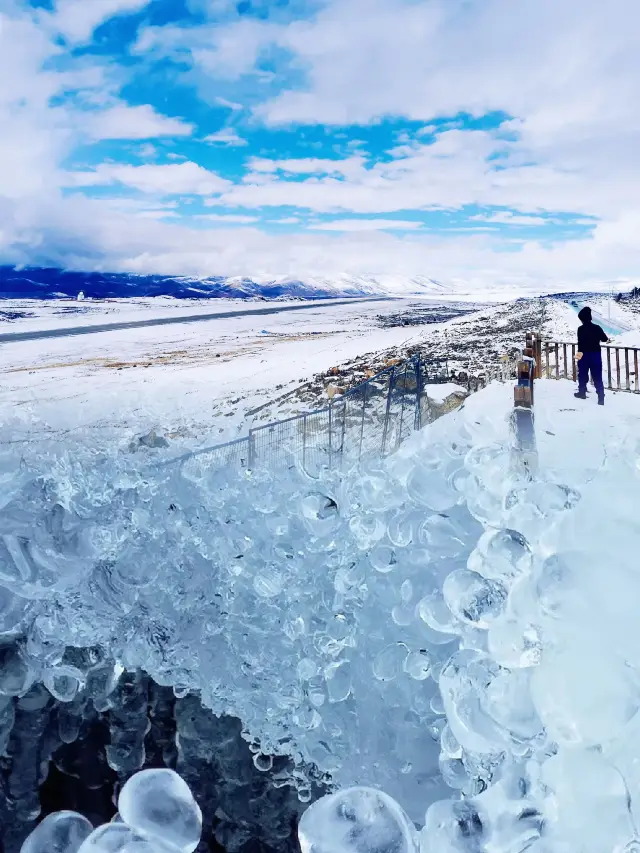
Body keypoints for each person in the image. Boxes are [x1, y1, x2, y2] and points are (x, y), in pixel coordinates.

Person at [574, 306, 608, 405]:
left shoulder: (580, 329)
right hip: (595, 355)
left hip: (583, 355)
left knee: (582, 375)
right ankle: (601, 397)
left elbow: (580, 343)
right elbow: (604, 339)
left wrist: (578, 357)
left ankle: (582, 392)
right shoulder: (597, 328)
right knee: (597, 376)